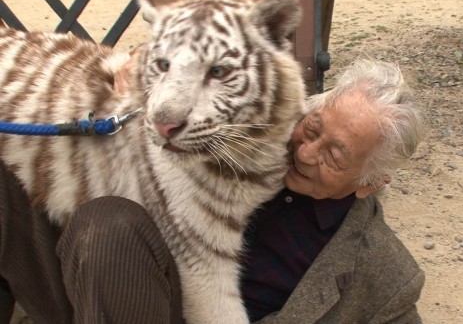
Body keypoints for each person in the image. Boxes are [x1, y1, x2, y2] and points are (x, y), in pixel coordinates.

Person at [0, 58, 426, 324]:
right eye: (312, 128)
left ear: (370, 183)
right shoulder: (249, 133)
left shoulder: (383, 273)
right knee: (96, 218)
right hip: (103, 287)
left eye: (335, 156)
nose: (306, 152)